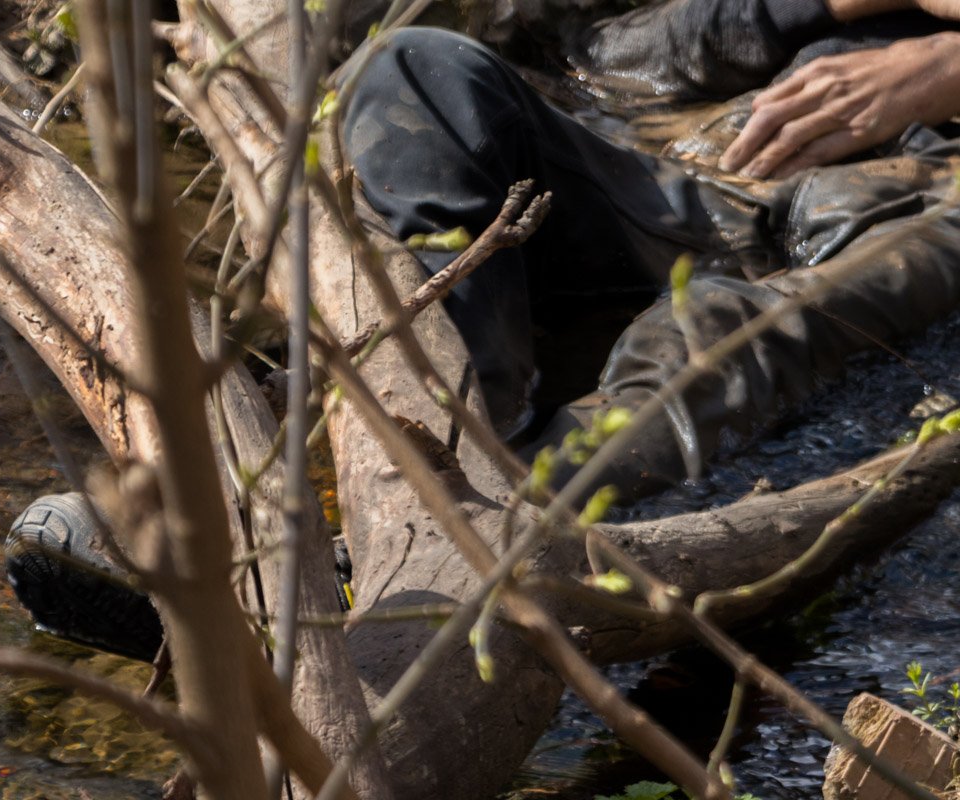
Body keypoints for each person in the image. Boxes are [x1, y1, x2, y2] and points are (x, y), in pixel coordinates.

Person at [6, 0, 960, 655]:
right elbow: (631, 56)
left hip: (919, 214)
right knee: (415, 67)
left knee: (726, 330)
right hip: (700, 182)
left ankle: (454, 554)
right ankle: (429, 454)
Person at [341, 0, 960, 497]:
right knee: (415, 67)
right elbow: (611, 52)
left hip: (930, 203)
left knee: (728, 330)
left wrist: (947, 67)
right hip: (719, 177)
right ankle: (459, 434)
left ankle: (514, 506)